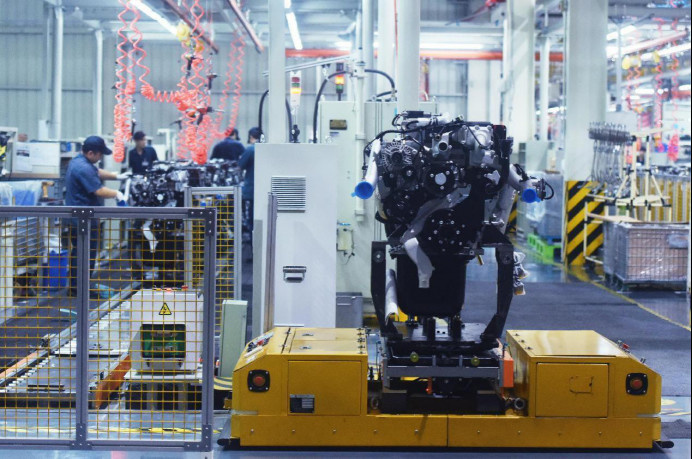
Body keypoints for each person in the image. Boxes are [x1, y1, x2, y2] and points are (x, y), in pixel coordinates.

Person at [65, 136, 129, 295]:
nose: (101, 158)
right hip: (83, 220)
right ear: (92, 153)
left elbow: (97, 172)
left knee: (79, 253)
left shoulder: (79, 161)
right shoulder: (83, 168)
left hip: (79, 219)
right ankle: (81, 290)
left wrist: (116, 176)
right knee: (85, 256)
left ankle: (75, 287)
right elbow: (98, 190)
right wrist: (117, 194)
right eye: (100, 154)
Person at [238, 127, 259, 240]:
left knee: (252, 218)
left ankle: (252, 244)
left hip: (251, 190)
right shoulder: (265, 149)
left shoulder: (250, 150)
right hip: (263, 190)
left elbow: (240, 166)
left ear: (251, 137)